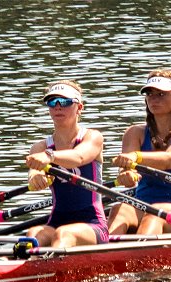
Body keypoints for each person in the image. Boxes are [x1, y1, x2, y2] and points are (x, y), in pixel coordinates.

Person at [107, 69, 171, 235]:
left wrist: (135, 157)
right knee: (119, 208)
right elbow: (128, 177)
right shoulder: (134, 133)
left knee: (157, 213)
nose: (154, 98)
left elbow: (170, 159)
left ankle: (138, 257)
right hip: (144, 204)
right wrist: (126, 175)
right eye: (150, 94)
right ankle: (104, 256)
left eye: (161, 94)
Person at [24, 80, 108, 247]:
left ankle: (49, 269)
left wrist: (50, 157)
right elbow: (34, 173)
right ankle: (28, 268)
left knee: (64, 234)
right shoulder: (39, 147)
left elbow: (79, 157)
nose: (58, 106)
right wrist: (36, 178)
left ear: (79, 107)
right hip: (56, 221)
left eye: (65, 102)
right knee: (33, 234)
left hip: (93, 224)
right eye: (52, 102)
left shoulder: (92, 137)